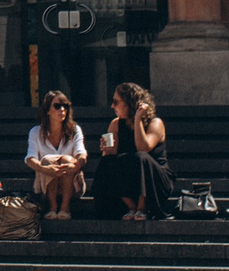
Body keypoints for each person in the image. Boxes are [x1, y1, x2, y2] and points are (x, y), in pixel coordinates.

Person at [93, 83, 176, 221]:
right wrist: (106, 151)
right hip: (129, 181)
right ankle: (131, 206)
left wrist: (137, 120)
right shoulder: (115, 124)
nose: (112, 106)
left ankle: (142, 208)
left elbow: (143, 148)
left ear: (129, 103)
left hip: (155, 180)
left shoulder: (155, 123)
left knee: (140, 156)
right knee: (107, 161)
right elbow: (111, 159)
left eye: (116, 102)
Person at [25, 90, 88, 219]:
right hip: (46, 183)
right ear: (48, 110)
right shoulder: (36, 132)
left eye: (65, 106)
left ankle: (65, 207)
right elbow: (30, 158)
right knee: (48, 159)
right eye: (57, 106)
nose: (62, 110)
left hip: (71, 183)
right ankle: (52, 206)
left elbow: (81, 153)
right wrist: (45, 168)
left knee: (66, 159)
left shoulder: (74, 130)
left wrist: (75, 165)